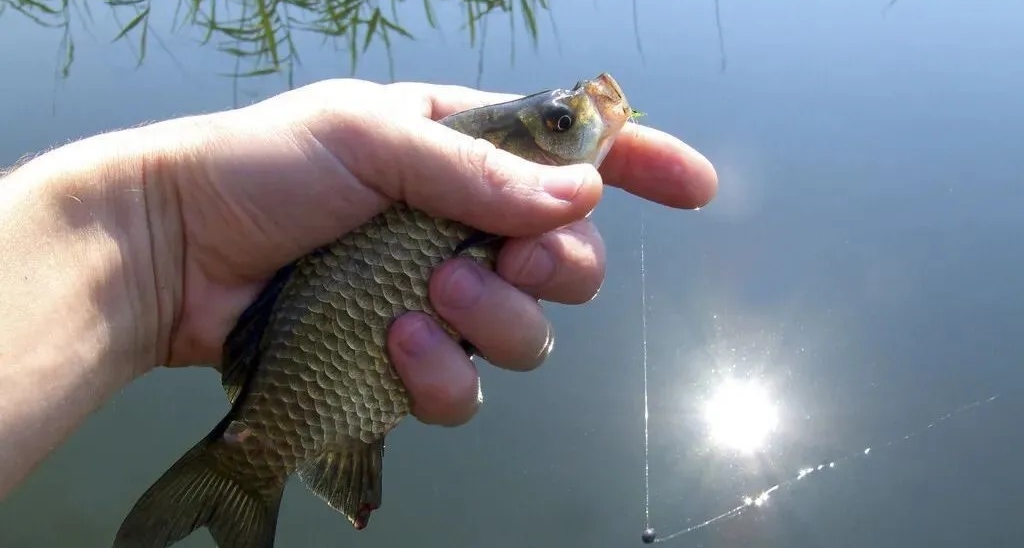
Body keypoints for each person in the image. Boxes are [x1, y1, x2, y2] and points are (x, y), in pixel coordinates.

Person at [0, 77, 717, 499]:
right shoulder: (447, 170)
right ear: (510, 157)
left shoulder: (464, 166)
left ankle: (306, 448)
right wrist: (163, 232)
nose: (581, 119)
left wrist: (161, 236)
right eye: (560, 121)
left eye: (561, 122)